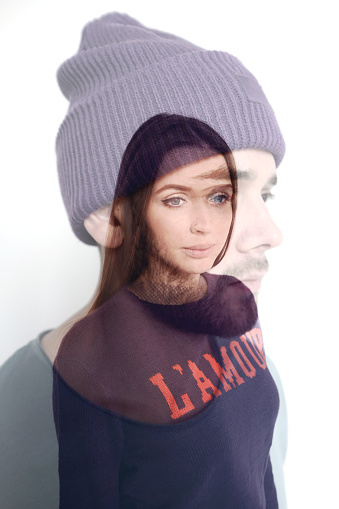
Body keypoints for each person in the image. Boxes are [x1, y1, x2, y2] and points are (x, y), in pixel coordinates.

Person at [0, 12, 287, 508]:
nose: (269, 234)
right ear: (112, 221)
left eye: (266, 194)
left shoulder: (247, 356)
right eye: (220, 195)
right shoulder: (31, 410)